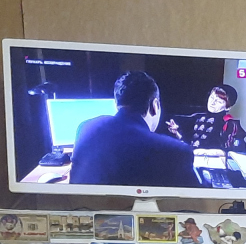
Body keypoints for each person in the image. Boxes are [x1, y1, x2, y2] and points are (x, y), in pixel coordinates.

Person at [70, 71, 200, 187]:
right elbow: (195, 201)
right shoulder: (176, 151)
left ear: (116, 105)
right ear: (155, 105)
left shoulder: (85, 128)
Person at [166, 84, 246, 152]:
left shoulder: (230, 124)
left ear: (227, 107)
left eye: (219, 101)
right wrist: (177, 133)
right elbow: (189, 145)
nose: (212, 103)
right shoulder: (198, 117)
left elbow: (236, 152)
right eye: (212, 98)